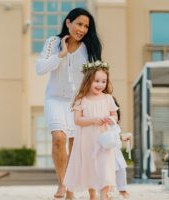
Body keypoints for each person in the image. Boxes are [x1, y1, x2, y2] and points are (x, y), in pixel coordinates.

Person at [35, 8, 102, 198]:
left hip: (78, 102)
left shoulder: (90, 48)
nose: (82, 29)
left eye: (86, 26)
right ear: (68, 23)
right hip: (54, 99)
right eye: (79, 24)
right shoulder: (53, 43)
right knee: (58, 138)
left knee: (76, 145)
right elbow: (40, 69)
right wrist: (61, 54)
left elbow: (96, 78)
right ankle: (62, 183)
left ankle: (72, 187)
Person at [64, 61, 117, 200]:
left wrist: (110, 120)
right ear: (88, 80)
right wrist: (93, 120)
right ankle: (92, 194)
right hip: (87, 139)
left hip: (104, 138)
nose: (100, 84)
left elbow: (115, 116)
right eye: (97, 81)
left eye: (104, 81)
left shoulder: (108, 98)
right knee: (90, 166)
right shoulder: (81, 99)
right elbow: (77, 120)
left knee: (105, 165)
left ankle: (104, 194)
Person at [112, 97, 130, 199]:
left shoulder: (116, 126)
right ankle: (109, 189)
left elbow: (117, 136)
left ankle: (122, 189)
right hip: (106, 152)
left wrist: (123, 137)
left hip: (116, 152)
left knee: (121, 170)